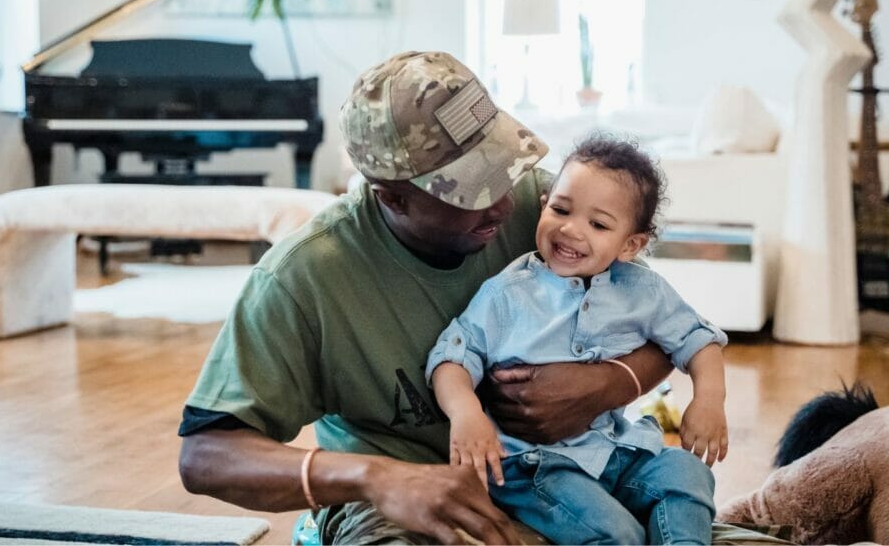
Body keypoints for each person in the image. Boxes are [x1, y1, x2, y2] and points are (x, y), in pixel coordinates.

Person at [177, 51, 676, 545]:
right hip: (398, 510)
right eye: (471, 190)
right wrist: (376, 478)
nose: (504, 203)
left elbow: (669, 328)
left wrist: (607, 384)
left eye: (503, 169)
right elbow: (205, 455)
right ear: (390, 195)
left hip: (560, 473)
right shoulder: (305, 278)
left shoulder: (549, 213)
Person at [427, 136, 729, 545]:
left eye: (598, 224)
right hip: (534, 466)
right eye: (561, 209)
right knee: (615, 534)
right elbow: (453, 357)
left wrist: (708, 400)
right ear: (544, 202)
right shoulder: (507, 294)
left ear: (630, 245)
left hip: (616, 448)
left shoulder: (643, 290)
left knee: (688, 474)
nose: (570, 230)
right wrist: (465, 414)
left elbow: (698, 340)